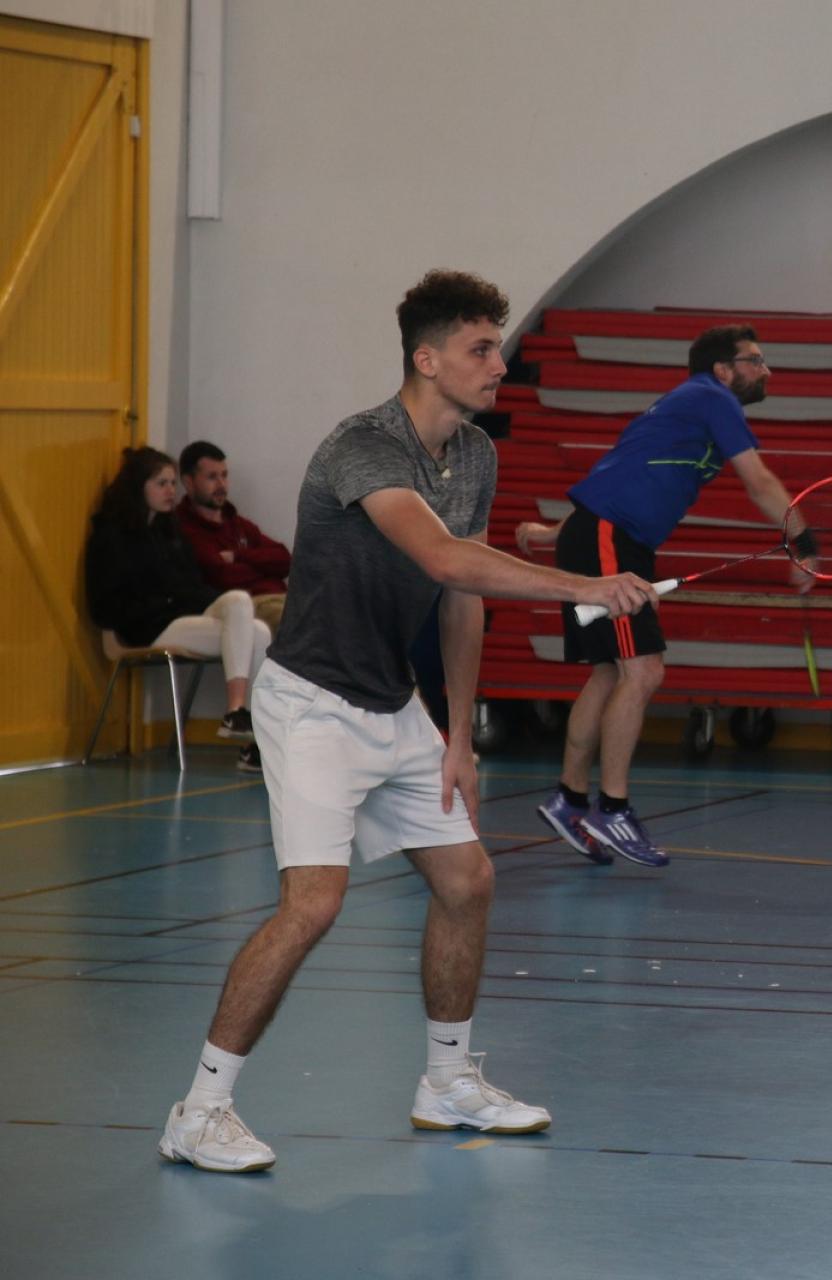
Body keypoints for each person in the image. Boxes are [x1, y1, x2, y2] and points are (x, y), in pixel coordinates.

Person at [155, 270, 654, 1174]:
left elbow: (462, 597)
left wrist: (458, 736)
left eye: (497, 346)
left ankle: (447, 1082)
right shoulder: (365, 447)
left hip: (397, 705)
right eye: (481, 349)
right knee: (314, 905)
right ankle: (200, 1110)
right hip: (312, 704)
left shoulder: (477, 455)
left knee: (468, 881)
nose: (499, 364)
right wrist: (585, 584)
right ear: (426, 359)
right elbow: (441, 555)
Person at [524, 323, 814, 868]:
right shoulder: (711, 397)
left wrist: (556, 533)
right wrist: (803, 539)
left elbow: (621, 471)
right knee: (643, 671)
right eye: (755, 360)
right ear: (723, 370)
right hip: (611, 538)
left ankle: (570, 799)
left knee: (609, 672)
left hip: (603, 534)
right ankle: (611, 810)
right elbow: (759, 482)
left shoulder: (683, 405)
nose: (766, 370)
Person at [84, 447, 268, 771]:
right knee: (244, 615)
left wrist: (187, 601)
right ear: (139, 487)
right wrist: (168, 602)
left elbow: (190, 586)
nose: (171, 491)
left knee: (256, 625)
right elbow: (106, 604)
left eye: (172, 483)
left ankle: (250, 733)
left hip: (180, 618)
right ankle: (240, 717)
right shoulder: (111, 536)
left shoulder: (170, 533)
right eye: (161, 483)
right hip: (147, 628)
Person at [174, 441, 293, 633]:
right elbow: (222, 577)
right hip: (245, 607)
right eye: (212, 477)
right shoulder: (184, 528)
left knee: (332, 610)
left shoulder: (237, 523)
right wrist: (266, 569)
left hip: (281, 598)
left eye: (224, 475)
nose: (222, 484)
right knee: (302, 625)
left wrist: (238, 556)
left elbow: (285, 560)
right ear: (188, 482)